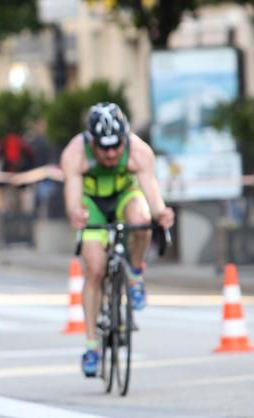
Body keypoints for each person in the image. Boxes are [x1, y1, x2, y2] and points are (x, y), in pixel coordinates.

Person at [61, 102, 174, 377]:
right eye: (104, 147)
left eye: (116, 146)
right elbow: (73, 199)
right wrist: (76, 214)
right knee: (96, 269)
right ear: (91, 142)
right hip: (92, 203)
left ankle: (134, 274)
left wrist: (161, 213)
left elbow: (151, 192)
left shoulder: (140, 152)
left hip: (125, 197)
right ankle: (91, 346)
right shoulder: (75, 153)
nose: (111, 153)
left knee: (141, 220)